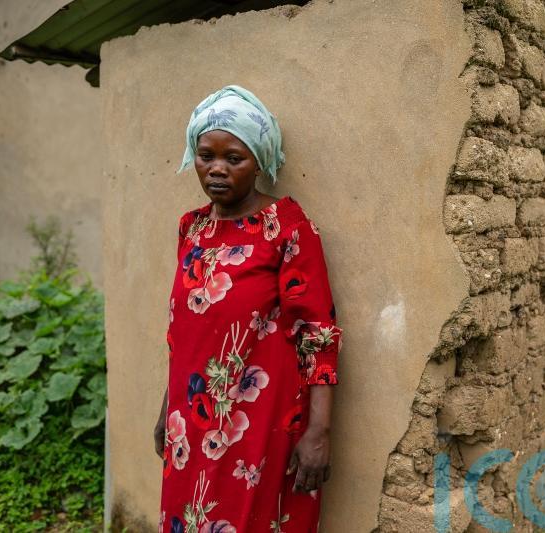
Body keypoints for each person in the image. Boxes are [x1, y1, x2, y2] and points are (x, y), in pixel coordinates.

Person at [154, 85, 342, 533]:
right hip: (192, 421)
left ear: (259, 161)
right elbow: (184, 332)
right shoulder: (192, 229)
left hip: (257, 424)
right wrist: (168, 408)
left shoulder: (287, 229)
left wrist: (319, 431)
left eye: (233, 158)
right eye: (206, 155)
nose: (217, 169)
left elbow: (318, 334)